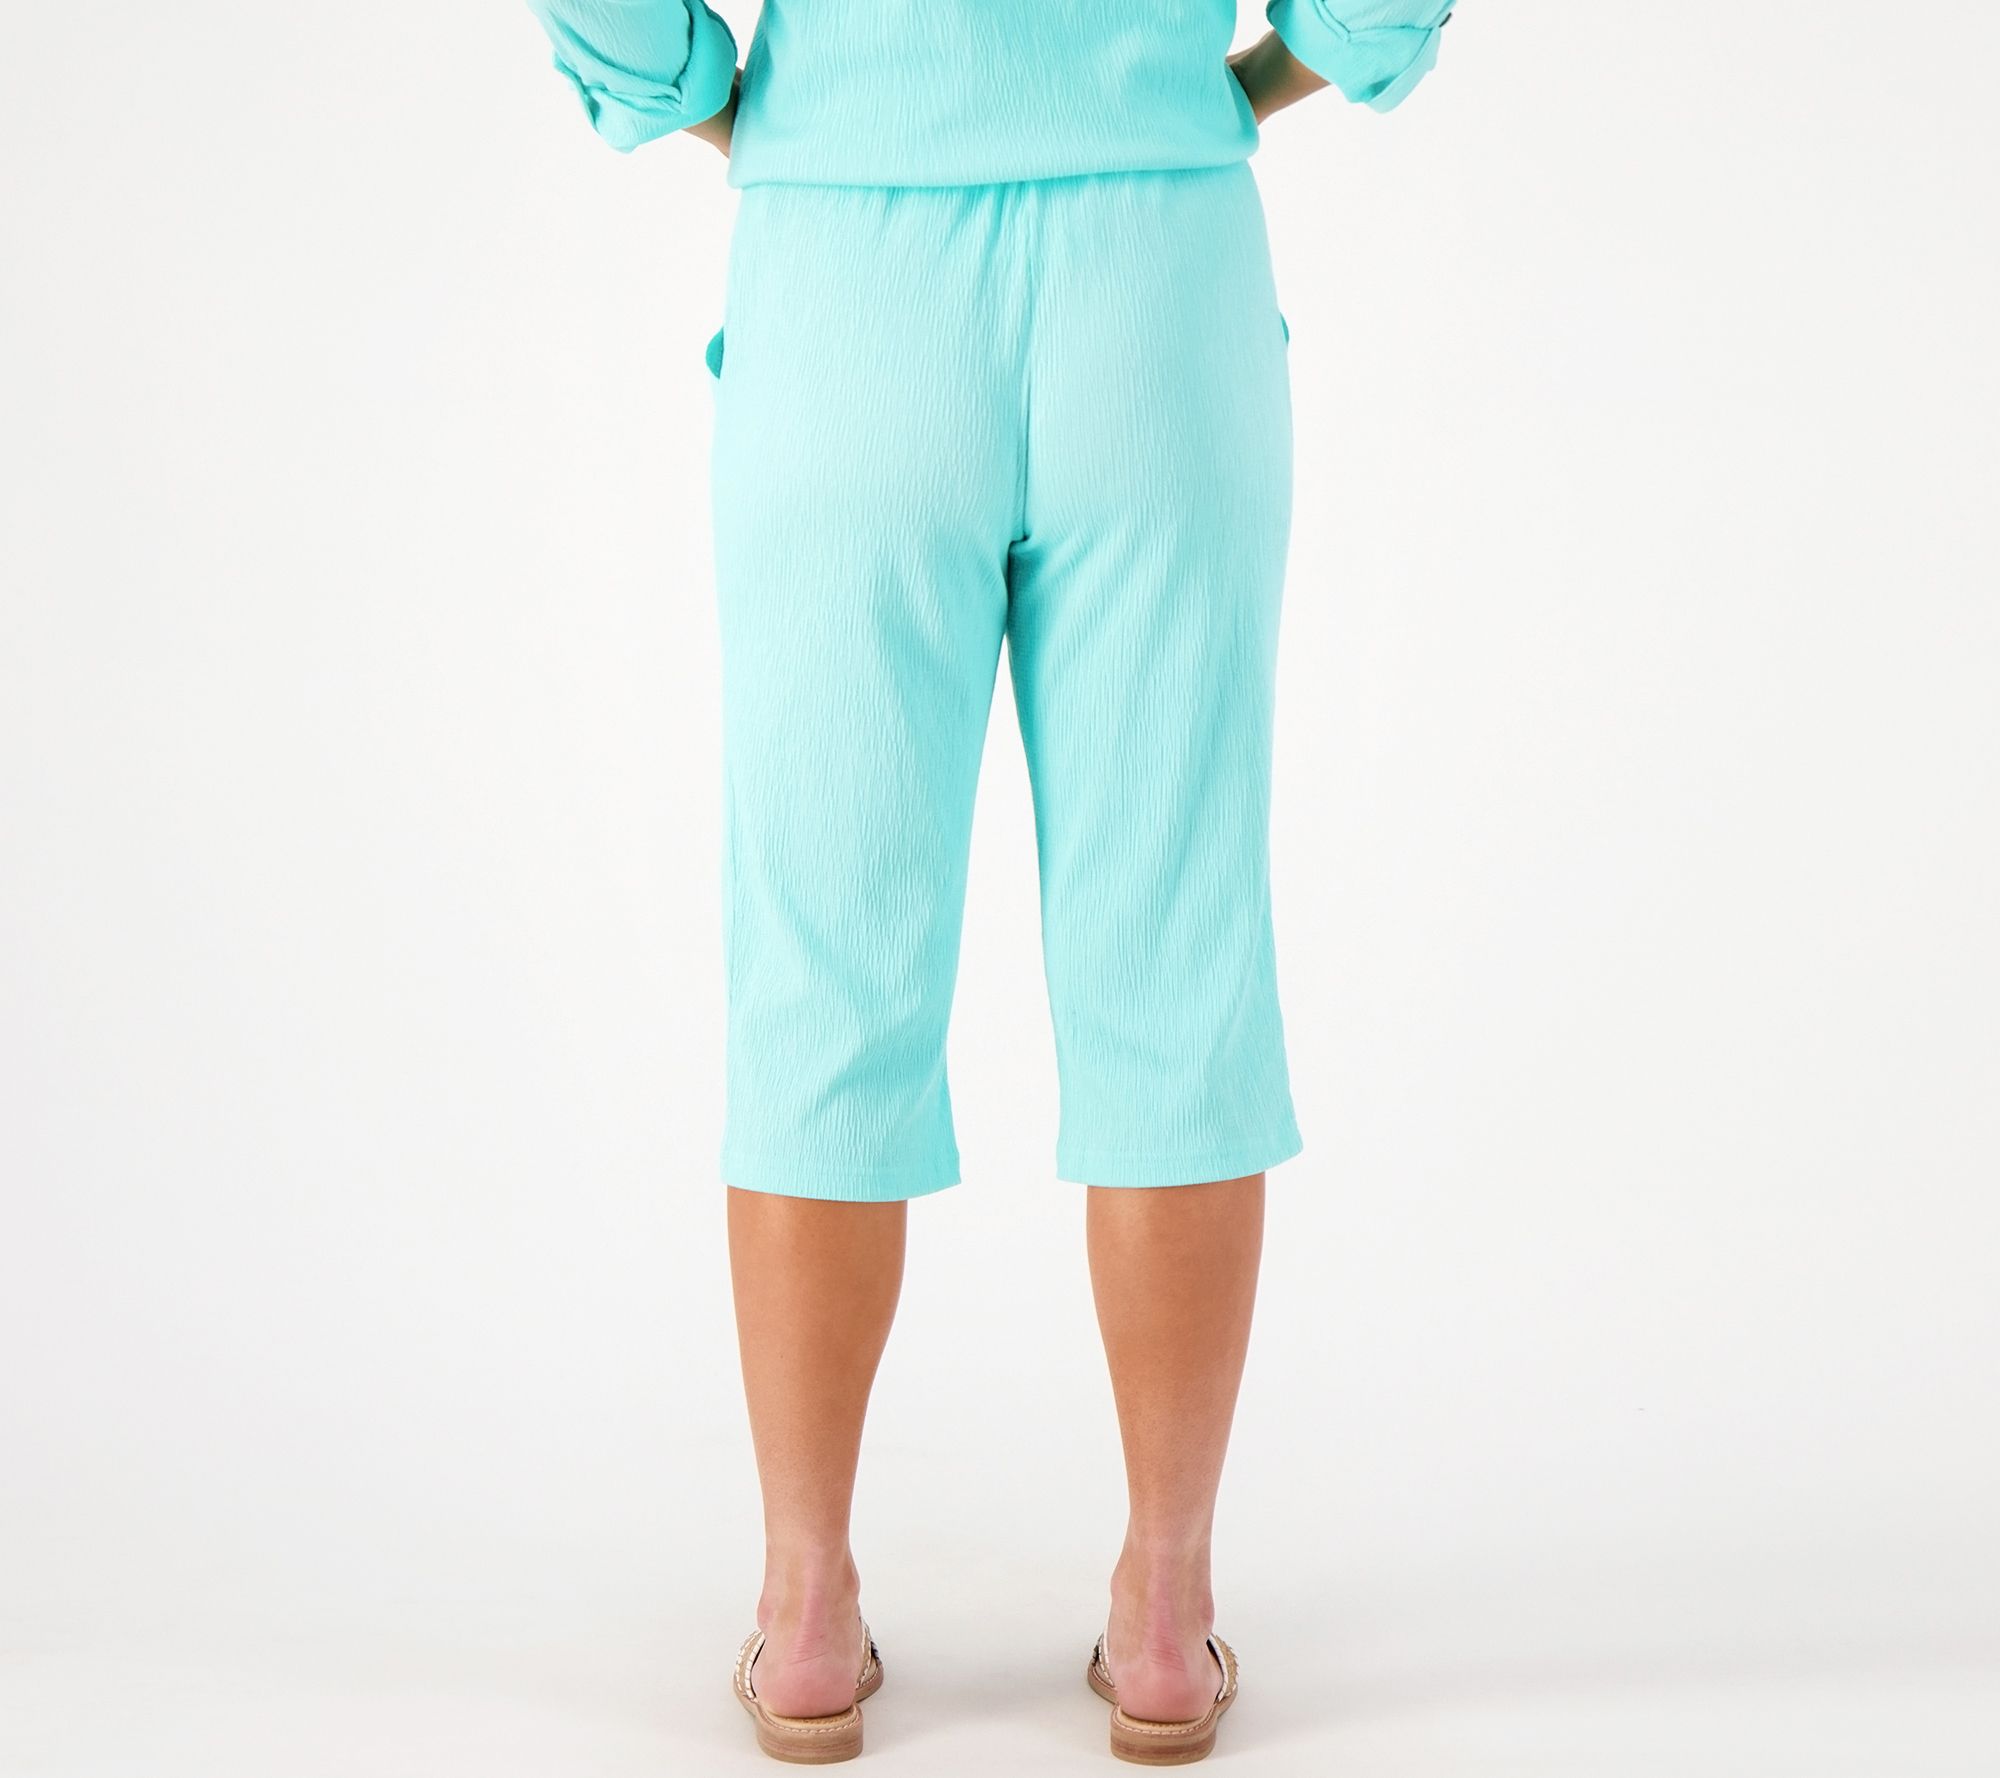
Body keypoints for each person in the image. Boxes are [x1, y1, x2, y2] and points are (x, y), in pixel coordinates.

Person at [522, 0, 1461, 1761]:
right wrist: (1247, 80)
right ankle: (1165, 1613)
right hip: (1157, 269)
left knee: (824, 967)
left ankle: (807, 1608)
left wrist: (730, 103)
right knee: (1175, 959)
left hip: (846, 276)